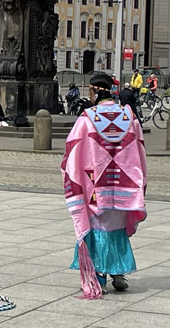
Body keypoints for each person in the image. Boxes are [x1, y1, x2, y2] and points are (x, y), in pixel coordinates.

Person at [61, 73, 147, 298]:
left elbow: (73, 151)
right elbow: (139, 151)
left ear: (94, 91)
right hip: (124, 187)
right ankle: (118, 273)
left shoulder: (86, 118)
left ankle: (99, 274)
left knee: (98, 228)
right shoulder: (130, 117)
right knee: (116, 229)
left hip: (94, 188)